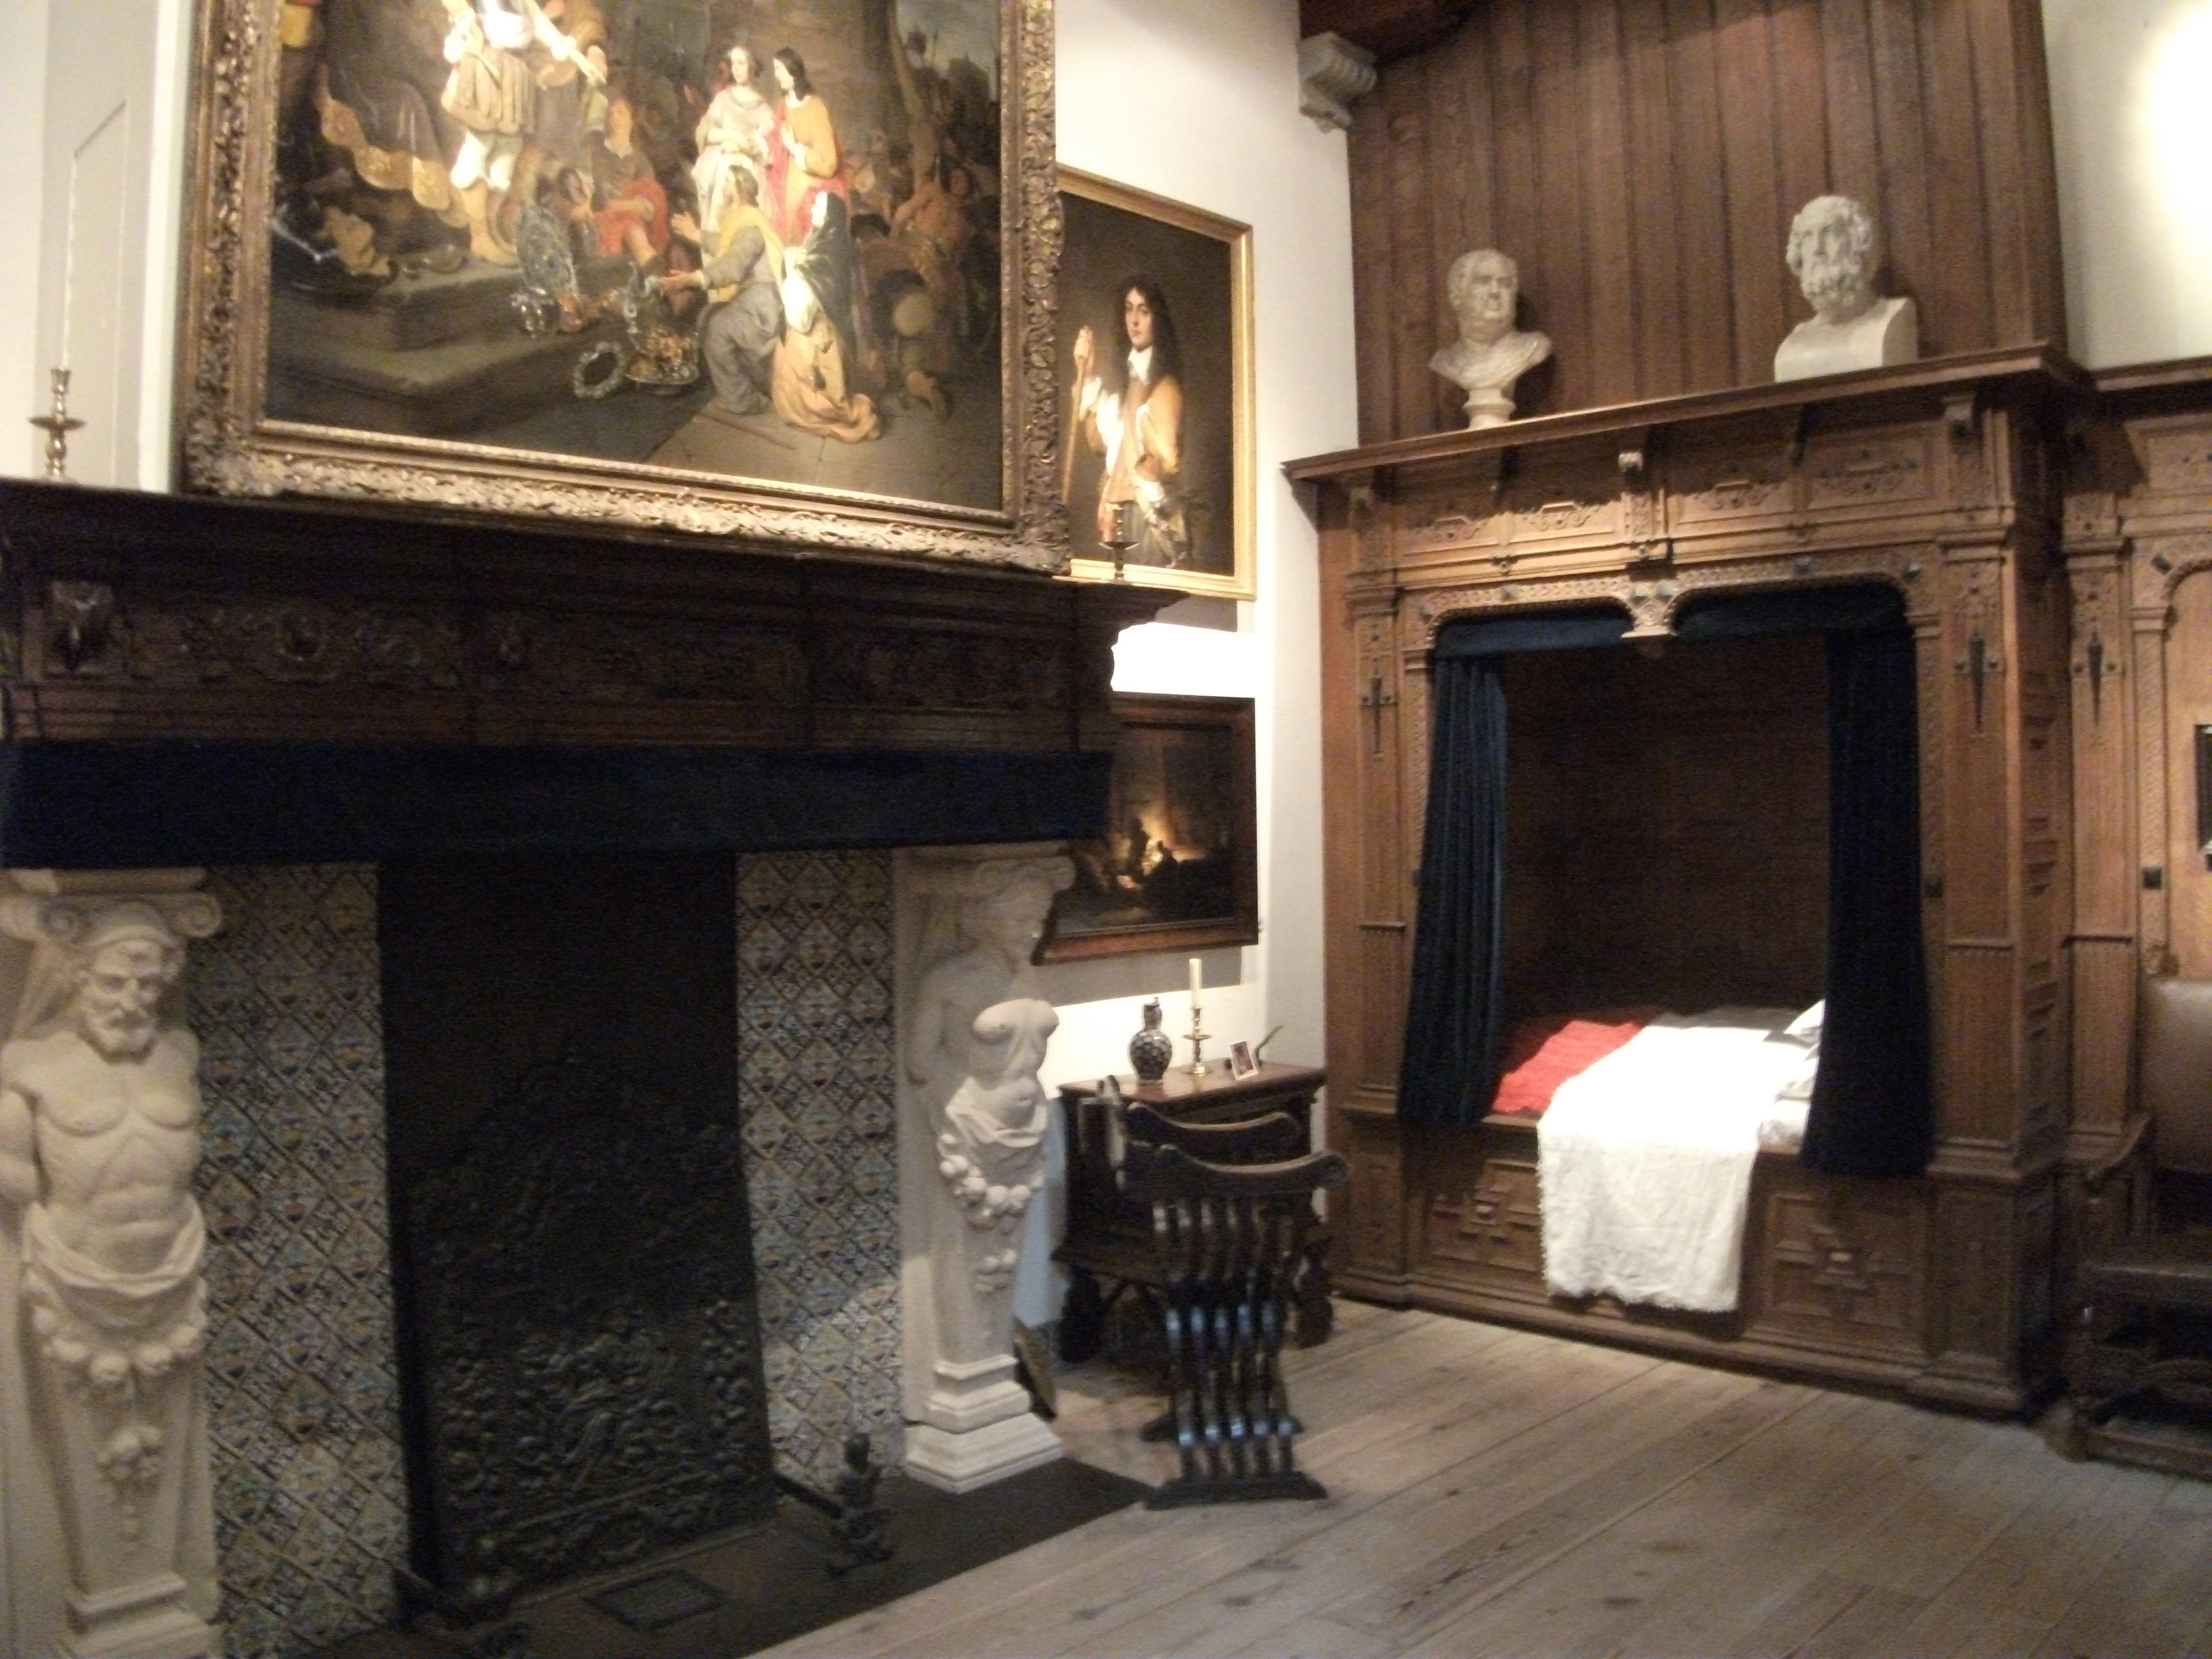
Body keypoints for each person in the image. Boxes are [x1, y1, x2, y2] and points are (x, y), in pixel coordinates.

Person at [0, 904, 217, 1646]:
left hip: (170, 1279)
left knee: (149, 1445)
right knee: (111, 1452)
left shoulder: (179, 1051)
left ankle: (146, 1606)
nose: (132, 1000)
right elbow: (16, 1184)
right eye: (114, 982)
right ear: (75, 975)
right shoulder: (31, 1068)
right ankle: (124, 1612)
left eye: (148, 984)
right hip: (78, 1286)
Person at [1070, 277, 1190, 567]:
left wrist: (1138, 479)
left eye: (1144, 311)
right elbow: (1098, 442)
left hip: (1143, 514)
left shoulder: (1164, 388)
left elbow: (1164, 461)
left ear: (1156, 319)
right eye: (1129, 310)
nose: (1134, 321)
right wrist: (1084, 372)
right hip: (1116, 513)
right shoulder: (1125, 380)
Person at [665, 166, 783, 415]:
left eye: (727, 181)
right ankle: (742, 394)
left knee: (718, 326)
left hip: (762, 308)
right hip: (751, 301)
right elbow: (728, 247)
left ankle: (745, 401)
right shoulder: (745, 222)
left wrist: (695, 278)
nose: (724, 187)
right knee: (710, 317)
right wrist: (697, 235)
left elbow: (733, 265)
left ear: (739, 187)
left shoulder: (750, 225)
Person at [773, 192, 881, 442]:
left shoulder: (830, 250)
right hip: (819, 326)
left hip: (819, 332)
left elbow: (802, 308)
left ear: (831, 213)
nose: (812, 210)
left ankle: (846, 416)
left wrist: (793, 268)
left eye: (818, 207)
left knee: (817, 388)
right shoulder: (826, 241)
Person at [1773, 194, 1917, 382]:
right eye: (1808, 236)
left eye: (1830, 233)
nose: (1817, 248)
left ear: (1859, 242)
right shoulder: (1795, 344)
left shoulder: (1894, 320)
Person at [1428, 248, 1551, 429]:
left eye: (1505, 284)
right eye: (1483, 282)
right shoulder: (1445, 361)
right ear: (1456, 297)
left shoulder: (1533, 349)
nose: (1495, 292)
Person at [690, 45, 774, 254]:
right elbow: (706, 133)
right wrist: (732, 136)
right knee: (725, 171)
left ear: (753, 68)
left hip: (749, 168)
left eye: (742, 63)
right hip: (721, 162)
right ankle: (718, 253)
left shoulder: (763, 108)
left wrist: (749, 145)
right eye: (733, 63)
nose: (736, 69)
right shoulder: (723, 99)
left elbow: (767, 144)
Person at [573, 88, 666, 269]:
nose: (614, 118)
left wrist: (619, 206)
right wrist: (586, 204)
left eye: (620, 113)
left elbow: (649, 202)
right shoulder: (593, 146)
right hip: (593, 215)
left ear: (632, 120)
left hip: (627, 217)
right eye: (610, 113)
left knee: (633, 229)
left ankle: (653, 276)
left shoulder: (639, 160)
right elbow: (582, 179)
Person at [764, 47, 842, 243]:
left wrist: (796, 148)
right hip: (784, 179)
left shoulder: (815, 108)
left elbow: (828, 163)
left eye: (780, 69)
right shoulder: (784, 104)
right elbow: (776, 138)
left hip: (811, 184)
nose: (776, 75)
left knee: (796, 227)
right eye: (775, 69)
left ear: (793, 70)